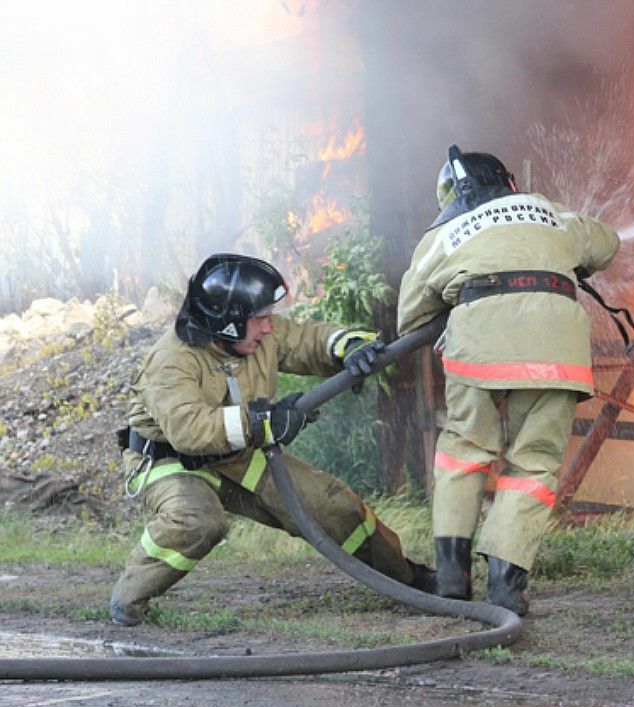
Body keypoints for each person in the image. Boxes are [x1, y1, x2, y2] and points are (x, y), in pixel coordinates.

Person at [110, 253, 434, 626]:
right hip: (170, 463)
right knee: (197, 521)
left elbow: (305, 339)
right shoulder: (169, 362)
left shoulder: (257, 336)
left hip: (235, 455)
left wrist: (346, 345)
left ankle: (407, 580)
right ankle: (129, 598)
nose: (267, 327)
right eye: (259, 318)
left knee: (332, 506)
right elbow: (191, 431)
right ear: (228, 324)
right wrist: (264, 423)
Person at [397, 145, 620, 615]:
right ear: (508, 182)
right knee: (533, 464)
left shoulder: (444, 233)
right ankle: (505, 585)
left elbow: (410, 317)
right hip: (556, 350)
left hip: (479, 347)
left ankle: (453, 577)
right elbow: (607, 244)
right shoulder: (553, 214)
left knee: (464, 450)